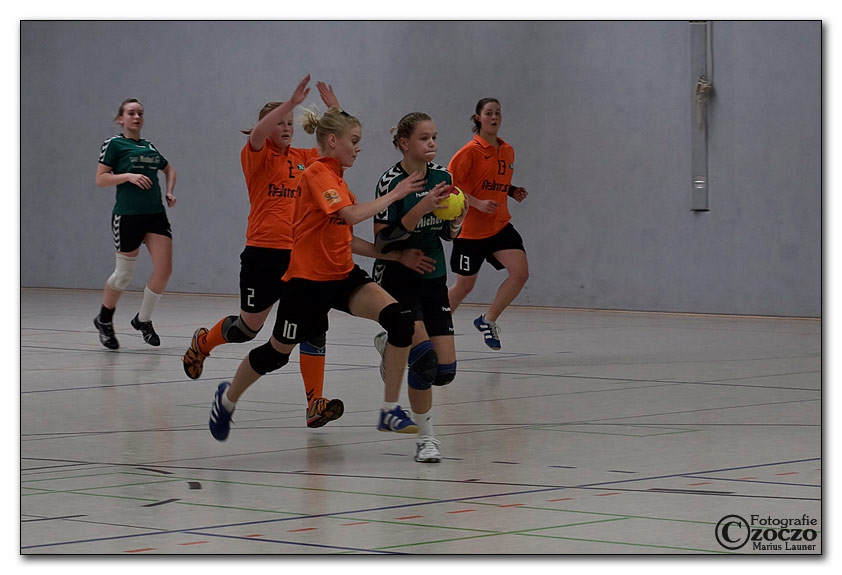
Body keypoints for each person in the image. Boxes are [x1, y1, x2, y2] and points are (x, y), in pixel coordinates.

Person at [208, 104, 434, 442]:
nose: (358, 148)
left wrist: (395, 256)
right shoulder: (316, 173)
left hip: (342, 276)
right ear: (332, 141)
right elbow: (351, 215)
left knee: (400, 321)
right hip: (307, 284)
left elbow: (347, 235)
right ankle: (226, 400)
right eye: (353, 141)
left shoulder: (338, 179)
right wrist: (398, 193)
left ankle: (389, 410)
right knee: (275, 355)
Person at [182, 76, 347, 429]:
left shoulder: (305, 158)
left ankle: (315, 403)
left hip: (301, 259)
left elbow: (336, 146)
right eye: (279, 123)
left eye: (290, 123)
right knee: (246, 329)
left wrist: (334, 108)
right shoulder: (256, 156)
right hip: (263, 256)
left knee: (314, 327)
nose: (286, 127)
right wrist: (290, 103)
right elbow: (257, 135)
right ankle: (203, 343)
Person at [371, 112, 467, 463]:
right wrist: (420, 208)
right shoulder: (390, 182)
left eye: (434, 137)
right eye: (424, 138)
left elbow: (446, 233)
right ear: (404, 143)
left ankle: (392, 346)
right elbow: (382, 242)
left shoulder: (443, 177)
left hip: (433, 274)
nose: (432, 143)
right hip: (397, 275)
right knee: (424, 360)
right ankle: (426, 439)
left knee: (444, 372)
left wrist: (456, 222)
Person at [93, 98, 177, 350]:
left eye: (140, 112)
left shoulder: (149, 146)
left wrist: (169, 191)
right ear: (121, 119)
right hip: (128, 216)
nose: (137, 117)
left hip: (155, 215)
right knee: (123, 275)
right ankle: (104, 319)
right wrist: (128, 176)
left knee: (164, 270)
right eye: (131, 113)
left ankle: (143, 319)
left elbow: (169, 169)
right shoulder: (114, 144)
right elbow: (101, 179)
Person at [447, 98, 529, 350]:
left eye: (497, 113)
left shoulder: (507, 150)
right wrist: (477, 203)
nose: (494, 117)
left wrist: (511, 191)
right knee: (464, 286)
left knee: (520, 273)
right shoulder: (469, 152)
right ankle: (432, 328)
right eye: (489, 113)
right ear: (478, 118)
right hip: (471, 232)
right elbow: (450, 186)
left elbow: (492, 181)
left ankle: (487, 320)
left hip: (499, 226)